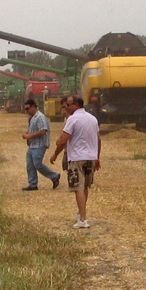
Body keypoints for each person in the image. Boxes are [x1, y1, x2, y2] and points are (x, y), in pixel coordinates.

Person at [49, 95, 101, 229]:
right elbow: (98, 139)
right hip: (90, 157)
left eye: (68, 104)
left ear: (76, 105)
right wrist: (97, 157)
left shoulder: (72, 119)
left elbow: (64, 139)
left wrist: (55, 152)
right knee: (85, 187)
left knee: (78, 187)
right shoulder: (93, 119)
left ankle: (83, 219)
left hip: (77, 157)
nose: (66, 107)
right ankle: (81, 213)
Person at [21, 98, 59, 191]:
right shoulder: (31, 117)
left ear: (33, 106)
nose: (26, 111)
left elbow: (43, 131)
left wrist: (29, 136)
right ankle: (32, 184)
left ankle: (54, 176)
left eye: (28, 108)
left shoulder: (40, 117)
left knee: (37, 164)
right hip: (32, 145)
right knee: (30, 165)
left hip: (39, 145)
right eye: (25, 109)